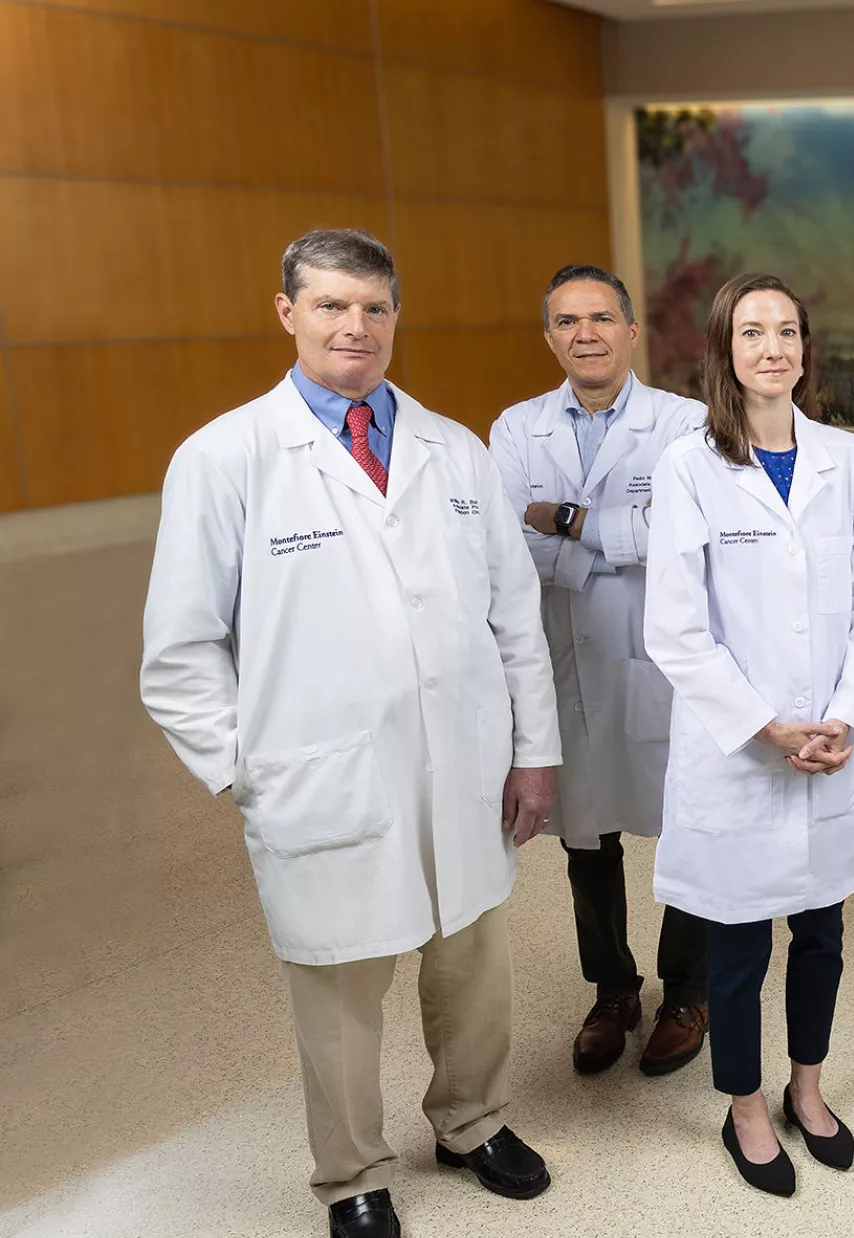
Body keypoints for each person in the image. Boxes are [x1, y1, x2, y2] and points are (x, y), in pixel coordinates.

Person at [140, 230, 560, 1238]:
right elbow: (179, 652)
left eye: (374, 307)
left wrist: (534, 751)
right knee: (337, 987)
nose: (354, 327)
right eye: (331, 305)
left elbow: (515, 617)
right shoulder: (226, 457)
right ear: (288, 312)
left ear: (395, 317)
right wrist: (250, 773)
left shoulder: (454, 451)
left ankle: (472, 1119)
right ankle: (352, 1172)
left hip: (463, 765)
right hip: (320, 778)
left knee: (473, 960)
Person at [644, 273, 854, 1198]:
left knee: (822, 931)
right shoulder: (689, 466)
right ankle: (746, 1107)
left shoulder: (849, 459)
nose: (773, 348)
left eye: (787, 331)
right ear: (724, 349)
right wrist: (763, 726)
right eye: (752, 332)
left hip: (832, 742)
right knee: (738, 946)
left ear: (805, 348)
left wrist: (846, 717)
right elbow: (676, 628)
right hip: (739, 752)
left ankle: (808, 1088)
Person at [490, 265, 712, 1077]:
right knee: (586, 837)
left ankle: (688, 992)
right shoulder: (516, 428)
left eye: (601, 318)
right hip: (564, 662)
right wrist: (609, 540)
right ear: (550, 337)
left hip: (660, 661)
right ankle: (613, 990)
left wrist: (562, 521)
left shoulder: (684, 422)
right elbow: (504, 546)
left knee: (686, 827)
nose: (585, 334)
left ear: (630, 332)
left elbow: (680, 532)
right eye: (567, 321)